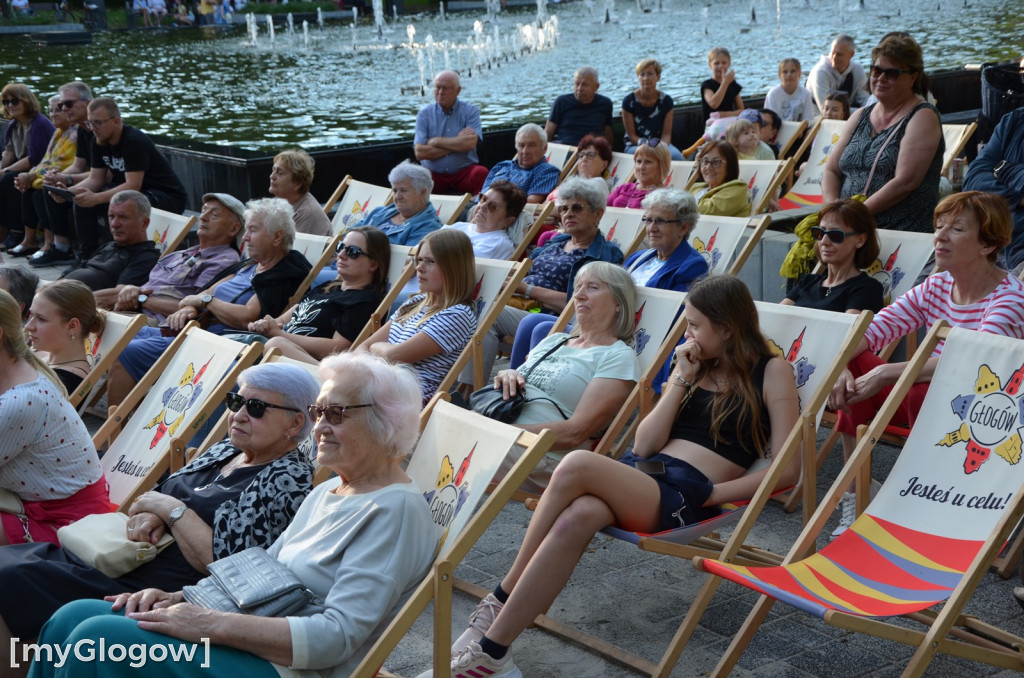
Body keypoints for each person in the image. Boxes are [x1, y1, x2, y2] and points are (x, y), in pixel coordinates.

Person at [424, 275, 799, 678]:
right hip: (649, 476)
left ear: (726, 328)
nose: (687, 334)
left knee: (576, 464)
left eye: (694, 325)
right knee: (579, 515)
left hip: (689, 493)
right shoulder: (695, 369)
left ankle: (502, 593)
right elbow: (645, 443)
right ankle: (493, 652)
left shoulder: (772, 371)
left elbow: (788, 470)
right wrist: (681, 380)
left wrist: (710, 494)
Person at [26, 352, 438, 678]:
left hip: (286, 667)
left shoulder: (394, 512)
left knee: (96, 638)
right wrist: (180, 598)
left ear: (386, 422)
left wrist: (207, 624)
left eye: (336, 414)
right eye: (318, 413)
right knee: (71, 617)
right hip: (246, 632)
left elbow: (337, 637)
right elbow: (260, 573)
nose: (319, 428)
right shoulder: (333, 489)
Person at [0, 362, 319, 671]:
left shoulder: (288, 481)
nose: (239, 415)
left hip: (160, 586)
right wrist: (157, 512)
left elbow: (225, 565)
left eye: (257, 407)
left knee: (10, 579)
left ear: (295, 424)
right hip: (120, 555)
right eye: (235, 401)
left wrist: (171, 511)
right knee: (11, 564)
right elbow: (148, 497)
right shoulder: (226, 450)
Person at [827, 191, 1024, 538]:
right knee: (858, 363)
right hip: (928, 392)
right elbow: (873, 330)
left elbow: (976, 363)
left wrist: (888, 371)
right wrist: (841, 363)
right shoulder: (937, 284)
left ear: (987, 245)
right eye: (939, 226)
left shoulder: (1007, 299)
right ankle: (858, 490)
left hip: (987, 414)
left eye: (957, 229)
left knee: (923, 391)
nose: (940, 236)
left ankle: (921, 502)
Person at [106, 197, 311, 408]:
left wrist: (206, 302)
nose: (246, 238)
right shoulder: (250, 264)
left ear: (277, 237)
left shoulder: (284, 272)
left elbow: (246, 317)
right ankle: (128, 420)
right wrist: (188, 308)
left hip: (218, 343)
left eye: (253, 231)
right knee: (119, 335)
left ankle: (115, 434)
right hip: (195, 330)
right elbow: (205, 292)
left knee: (127, 351)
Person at [483, 177, 623, 379]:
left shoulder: (605, 254)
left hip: (553, 317)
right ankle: (474, 387)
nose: (568, 214)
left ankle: (508, 384)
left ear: (597, 214)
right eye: (564, 208)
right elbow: (523, 269)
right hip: (521, 306)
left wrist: (525, 289)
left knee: (488, 313)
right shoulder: (556, 241)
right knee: (480, 313)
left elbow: (579, 303)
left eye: (577, 208)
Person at [0, 289, 109, 547]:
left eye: (40, 319)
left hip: (69, 525)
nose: (30, 327)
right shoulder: (19, 369)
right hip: (32, 504)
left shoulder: (22, 400)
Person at [822, 35, 943, 233]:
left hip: (897, 231)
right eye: (876, 71)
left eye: (892, 73)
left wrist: (851, 218)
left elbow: (905, 182)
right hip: (845, 229)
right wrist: (831, 213)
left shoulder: (922, 117)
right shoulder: (860, 115)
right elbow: (831, 170)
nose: (881, 78)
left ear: (913, 77)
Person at [357, 228, 477, 402]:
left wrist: (376, 349)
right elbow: (363, 346)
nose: (419, 268)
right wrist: (376, 352)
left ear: (452, 268)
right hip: (378, 384)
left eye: (429, 261)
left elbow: (395, 355)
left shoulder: (458, 315)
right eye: (419, 260)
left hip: (405, 399)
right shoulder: (415, 302)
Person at [68, 97, 187, 260]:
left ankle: (120, 258)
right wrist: (69, 193)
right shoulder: (98, 142)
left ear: (116, 121)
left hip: (165, 196)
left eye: (98, 123)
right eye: (90, 123)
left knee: (122, 205)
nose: (93, 128)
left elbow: (133, 185)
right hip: (137, 193)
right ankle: (87, 257)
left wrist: (96, 198)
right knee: (82, 202)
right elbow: (96, 179)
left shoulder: (133, 141)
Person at [257, 226, 389, 362]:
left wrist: (279, 335)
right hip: (282, 351)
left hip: (313, 365)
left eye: (352, 251)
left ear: (373, 265)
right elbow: (282, 320)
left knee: (275, 345)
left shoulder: (365, 300)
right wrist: (264, 325)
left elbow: (337, 348)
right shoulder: (326, 288)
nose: (341, 255)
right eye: (340, 247)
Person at [110, 192, 243, 324]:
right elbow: (147, 287)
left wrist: (142, 300)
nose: (203, 217)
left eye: (214, 215)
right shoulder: (177, 255)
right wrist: (131, 291)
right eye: (203, 211)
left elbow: (196, 308)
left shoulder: (224, 260)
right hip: (131, 314)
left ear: (233, 229)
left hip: (157, 324)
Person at [782, 199, 883, 314]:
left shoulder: (866, 289)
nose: (824, 242)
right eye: (820, 233)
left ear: (860, 240)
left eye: (835, 235)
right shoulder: (808, 281)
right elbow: (776, 317)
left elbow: (849, 331)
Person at [31, 81, 93, 268]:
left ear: (87, 103)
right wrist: (59, 178)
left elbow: (101, 175)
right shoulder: (82, 130)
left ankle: (87, 255)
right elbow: (77, 164)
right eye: (60, 106)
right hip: (93, 177)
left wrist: (66, 180)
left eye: (67, 104)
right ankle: (60, 248)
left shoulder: (93, 130)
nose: (63, 109)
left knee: (80, 195)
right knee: (51, 187)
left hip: (116, 184)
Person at [10, 96, 77, 257]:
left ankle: (49, 244)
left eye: (58, 110)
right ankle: (29, 239)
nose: (53, 114)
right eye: (51, 110)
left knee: (41, 191)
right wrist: (28, 176)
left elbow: (62, 165)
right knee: (25, 187)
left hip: (69, 177)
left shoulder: (74, 134)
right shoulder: (58, 133)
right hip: (49, 175)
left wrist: (32, 176)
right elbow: (45, 161)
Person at [60, 190, 160, 292]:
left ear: (144, 223)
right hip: (58, 294)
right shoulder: (109, 246)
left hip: (74, 302)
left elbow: (119, 294)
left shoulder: (145, 256)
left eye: (123, 217)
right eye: (111, 216)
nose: (114, 224)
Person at [963, 106, 1024, 273]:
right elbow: (972, 181)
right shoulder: (1014, 120)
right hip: (988, 243)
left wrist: (1004, 169)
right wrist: (1017, 197)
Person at [414, 70, 489, 196]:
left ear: (458, 90)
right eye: (437, 87)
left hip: (463, 173)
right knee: (416, 175)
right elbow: (420, 152)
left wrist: (436, 141)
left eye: (445, 88)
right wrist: (457, 143)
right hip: (434, 175)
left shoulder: (471, 111)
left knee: (481, 173)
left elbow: (470, 143)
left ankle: (476, 209)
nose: (440, 92)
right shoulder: (424, 115)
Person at [1, 83, 55, 253]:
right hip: (27, 167)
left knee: (9, 179)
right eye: (6, 102)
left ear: (26, 101)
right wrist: (2, 168)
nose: (10, 105)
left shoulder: (38, 123)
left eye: (15, 101)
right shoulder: (14, 124)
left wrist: (5, 171)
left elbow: (34, 158)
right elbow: (9, 150)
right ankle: (7, 232)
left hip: (41, 168)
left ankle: (18, 232)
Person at [26, 279, 105, 393]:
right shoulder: (43, 355)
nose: (29, 326)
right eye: (31, 315)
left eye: (41, 319)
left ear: (72, 326)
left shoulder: (65, 382)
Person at [356, 160, 442, 246]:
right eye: (395, 190)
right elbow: (348, 235)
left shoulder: (427, 227)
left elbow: (407, 258)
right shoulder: (379, 212)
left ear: (422, 193)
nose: (397, 196)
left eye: (403, 190)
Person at [443, 180, 524, 260]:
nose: (482, 206)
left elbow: (452, 261)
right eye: (483, 199)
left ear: (508, 220)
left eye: (493, 206)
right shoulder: (459, 226)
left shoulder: (498, 244)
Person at [481, 123, 560, 204]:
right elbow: (483, 193)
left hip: (495, 212)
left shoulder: (547, 172)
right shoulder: (502, 165)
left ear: (545, 148)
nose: (525, 151)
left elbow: (531, 203)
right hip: (478, 206)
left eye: (531, 145)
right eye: (521, 145)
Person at [622, 58, 683, 160]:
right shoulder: (628, 101)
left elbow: (666, 135)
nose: (646, 78)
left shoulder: (666, 101)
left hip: (660, 145)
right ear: (638, 77)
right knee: (647, 156)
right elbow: (632, 136)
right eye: (642, 74)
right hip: (635, 145)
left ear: (658, 77)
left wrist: (659, 148)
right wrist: (645, 145)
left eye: (650, 74)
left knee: (677, 157)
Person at [267, 148, 332, 236]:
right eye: (273, 170)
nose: (272, 176)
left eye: (280, 172)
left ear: (298, 183)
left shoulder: (308, 214)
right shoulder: (282, 203)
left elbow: (297, 249)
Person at [545, 67, 613, 147]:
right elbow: (548, 134)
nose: (579, 88)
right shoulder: (561, 102)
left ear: (596, 87)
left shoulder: (605, 104)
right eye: (577, 84)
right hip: (564, 148)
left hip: (590, 150)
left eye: (585, 85)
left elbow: (608, 136)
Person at [544, 134, 612, 206]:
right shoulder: (571, 181)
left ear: (604, 164)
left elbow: (571, 209)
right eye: (581, 155)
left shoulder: (599, 184)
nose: (584, 158)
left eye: (591, 155)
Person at [806, 35, 870, 111]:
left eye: (839, 55)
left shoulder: (858, 70)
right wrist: (861, 113)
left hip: (848, 113)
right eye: (833, 53)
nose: (834, 57)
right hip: (817, 116)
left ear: (851, 55)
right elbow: (825, 110)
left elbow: (865, 99)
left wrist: (869, 112)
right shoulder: (820, 72)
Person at [690, 141, 751, 217]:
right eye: (705, 161)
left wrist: (677, 206)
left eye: (715, 162)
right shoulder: (696, 187)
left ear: (730, 166)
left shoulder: (737, 189)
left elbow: (707, 211)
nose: (708, 167)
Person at [607, 139, 671, 208]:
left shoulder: (664, 196)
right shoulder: (624, 188)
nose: (641, 167)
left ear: (662, 165)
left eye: (648, 162)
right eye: (639, 161)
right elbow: (601, 210)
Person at [764, 58, 818, 123]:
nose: (789, 75)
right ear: (780, 75)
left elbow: (808, 120)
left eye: (793, 71)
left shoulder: (806, 94)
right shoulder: (773, 94)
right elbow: (769, 122)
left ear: (799, 74)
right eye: (785, 72)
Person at [700, 47, 744, 122]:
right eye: (716, 63)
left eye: (724, 63)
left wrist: (723, 115)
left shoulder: (732, 84)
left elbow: (741, 110)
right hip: (712, 126)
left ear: (729, 64)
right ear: (710, 65)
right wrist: (725, 83)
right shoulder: (707, 85)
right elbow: (714, 104)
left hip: (731, 123)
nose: (720, 66)